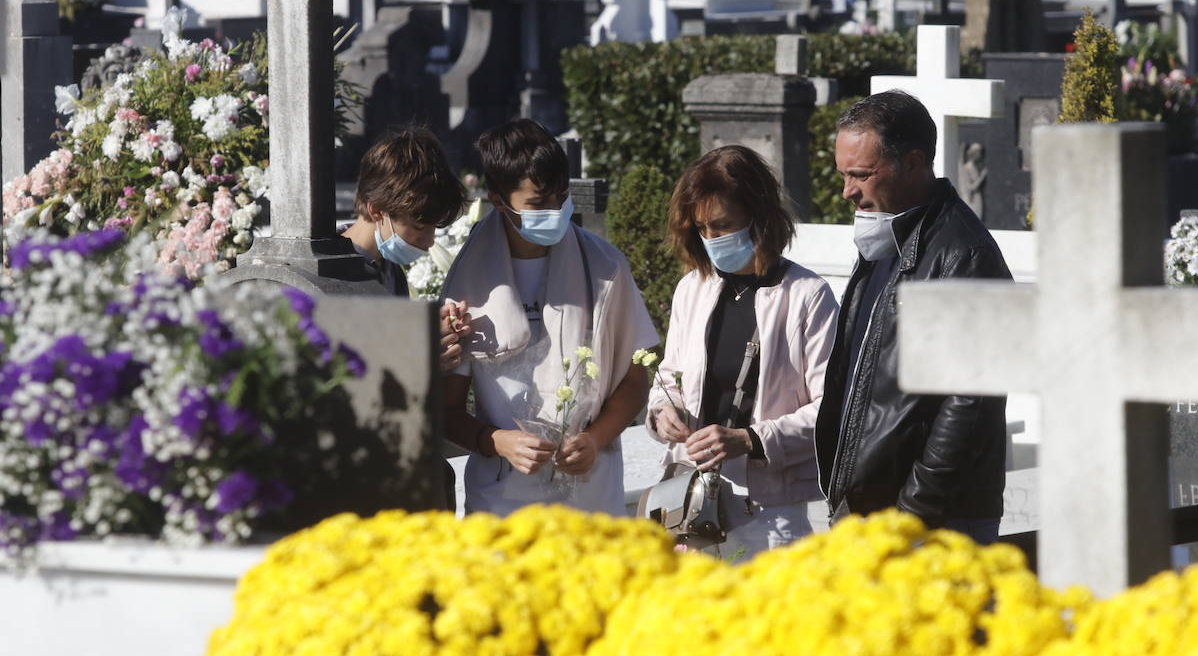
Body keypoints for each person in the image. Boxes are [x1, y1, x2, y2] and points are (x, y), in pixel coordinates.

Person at [814, 90, 1012, 545]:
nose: (848, 192)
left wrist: (912, 515)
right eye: (844, 175)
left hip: (933, 520)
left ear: (914, 163)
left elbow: (968, 402)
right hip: (871, 512)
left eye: (861, 175)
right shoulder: (884, 236)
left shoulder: (964, 253)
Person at [441, 119, 658, 516]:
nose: (555, 213)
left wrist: (595, 439)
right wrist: (496, 441)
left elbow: (634, 378)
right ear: (499, 200)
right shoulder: (468, 283)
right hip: (502, 499)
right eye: (538, 204)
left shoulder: (605, 268)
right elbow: (446, 409)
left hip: (590, 490)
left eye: (562, 198)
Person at [647, 145, 838, 558]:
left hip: (770, 513)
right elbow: (671, 377)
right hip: (692, 502)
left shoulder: (806, 295)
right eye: (702, 228)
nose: (713, 239)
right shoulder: (692, 288)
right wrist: (664, 413)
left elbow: (834, 409)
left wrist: (749, 439)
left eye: (723, 225)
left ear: (759, 216)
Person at [339, 124, 471, 373]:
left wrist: (427, 329)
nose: (430, 241)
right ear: (377, 210)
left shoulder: (390, 271)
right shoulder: (331, 272)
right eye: (420, 228)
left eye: (433, 229)